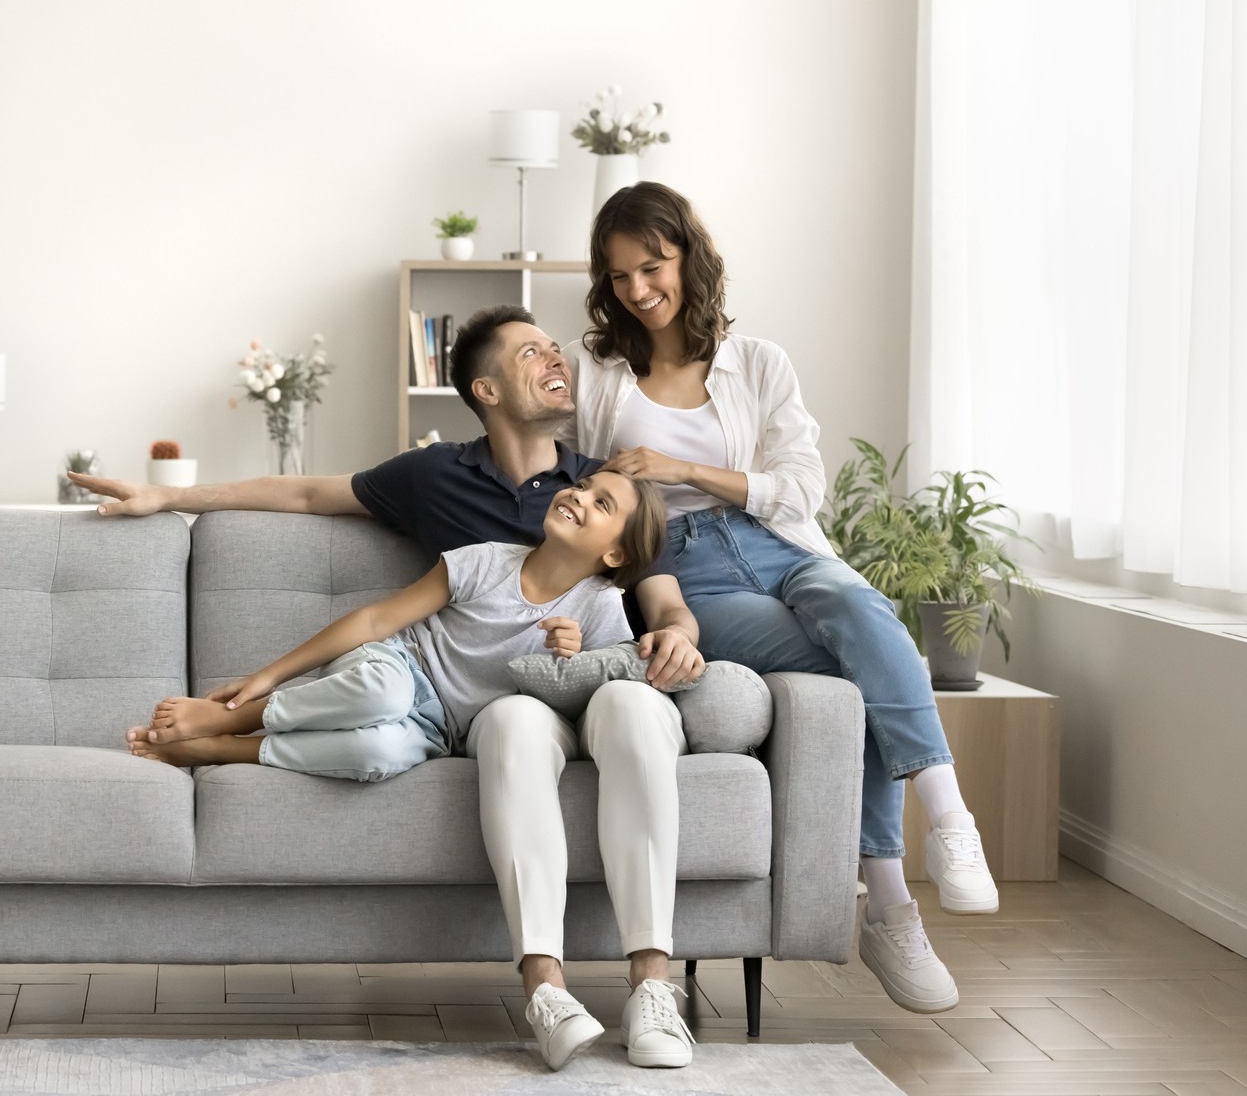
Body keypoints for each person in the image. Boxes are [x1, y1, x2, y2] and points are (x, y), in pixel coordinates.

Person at [72, 306, 699, 1071]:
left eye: (550, 345)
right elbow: (305, 495)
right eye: (530, 351)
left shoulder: (600, 481)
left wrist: (677, 633)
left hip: (572, 691)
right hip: (473, 701)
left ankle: (654, 988)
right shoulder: (437, 479)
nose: (554, 356)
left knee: (601, 706)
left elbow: (652, 583)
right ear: (487, 389)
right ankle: (544, 987)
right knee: (467, 718)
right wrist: (169, 496)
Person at [560, 180, 998, 1015]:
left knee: (865, 615)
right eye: (618, 277)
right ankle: (891, 905)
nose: (638, 291)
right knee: (849, 675)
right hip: (685, 571)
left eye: (652, 266)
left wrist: (687, 468)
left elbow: (802, 489)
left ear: (689, 255)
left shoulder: (756, 361)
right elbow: (549, 464)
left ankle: (949, 820)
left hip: (776, 539)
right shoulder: (596, 373)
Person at [127, 470, 662, 789]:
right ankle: (232, 718)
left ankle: (222, 751)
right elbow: (376, 620)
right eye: (584, 486)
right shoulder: (484, 562)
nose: (578, 495)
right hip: (395, 665)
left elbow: (602, 689)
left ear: (615, 552)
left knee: (377, 757)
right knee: (383, 692)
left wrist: (570, 656)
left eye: (601, 504)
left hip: (440, 731)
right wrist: (267, 677)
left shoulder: (600, 607)